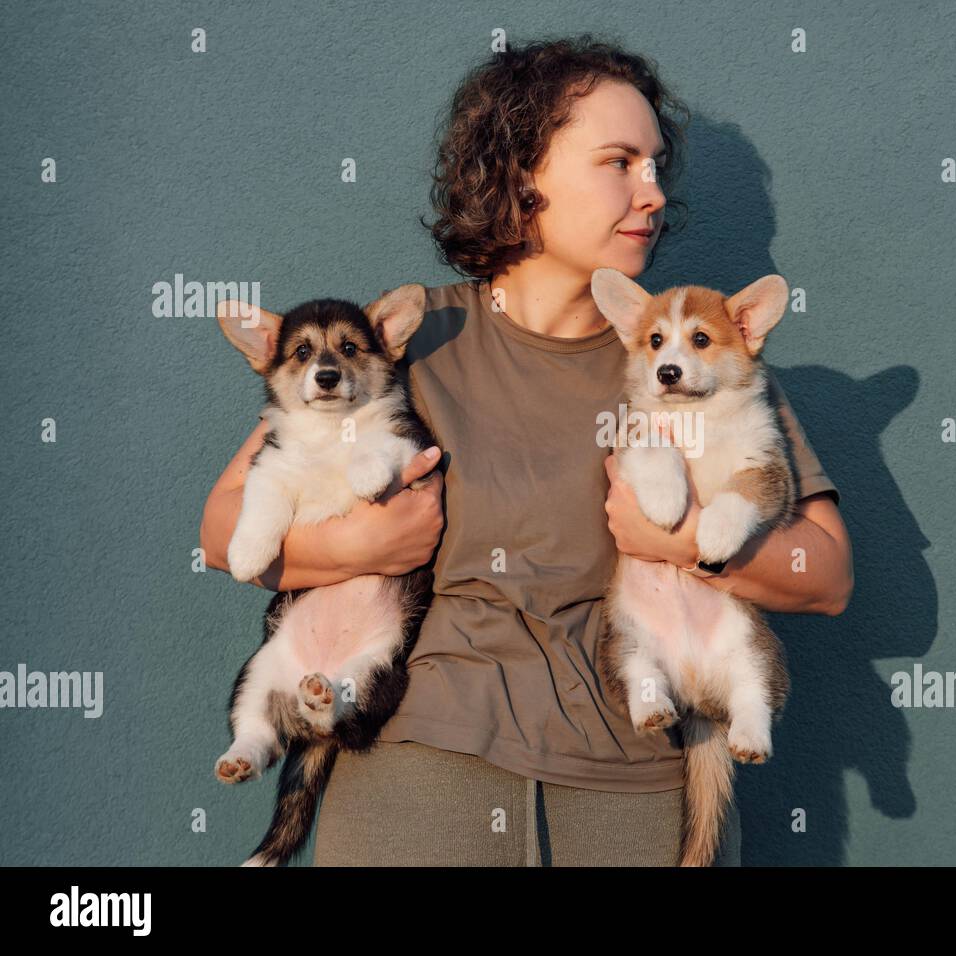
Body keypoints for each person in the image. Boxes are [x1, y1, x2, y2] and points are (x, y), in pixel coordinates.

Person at [199, 34, 854, 867]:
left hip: (637, 793)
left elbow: (828, 578)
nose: (650, 194)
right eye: (619, 162)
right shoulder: (405, 341)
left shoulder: (696, 368)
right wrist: (349, 546)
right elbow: (224, 529)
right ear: (522, 174)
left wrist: (683, 542)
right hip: (421, 788)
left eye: (656, 166)